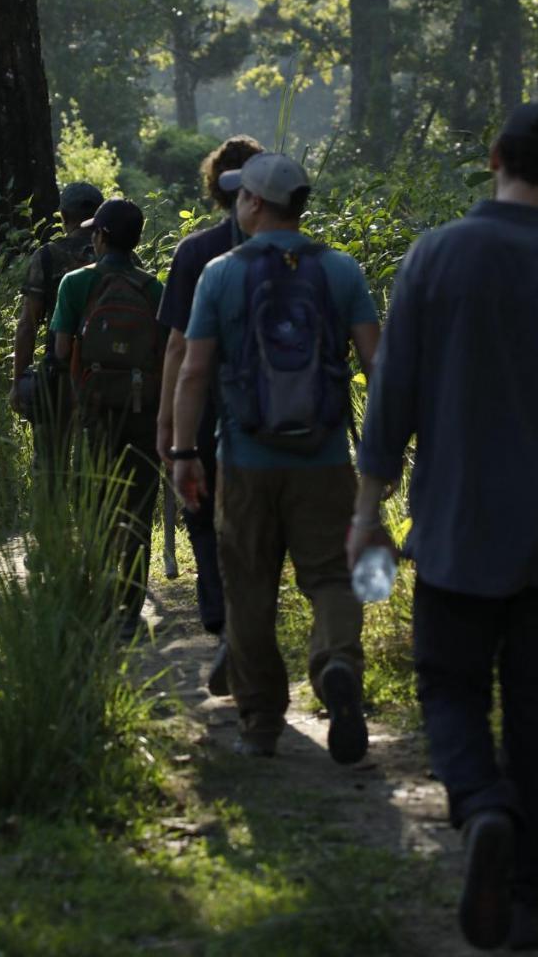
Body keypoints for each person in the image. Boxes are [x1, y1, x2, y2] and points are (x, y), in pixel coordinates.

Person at [349, 103, 538, 951]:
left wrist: (367, 517)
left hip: (453, 529)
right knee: (537, 714)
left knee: (447, 688)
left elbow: (390, 403)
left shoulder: (434, 257)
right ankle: (523, 897)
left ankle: (481, 807)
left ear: (492, 158)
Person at [171, 153, 380, 761]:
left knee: (249, 589)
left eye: (240, 197)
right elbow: (379, 365)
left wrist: (185, 453)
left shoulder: (219, 273)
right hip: (326, 463)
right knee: (334, 578)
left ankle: (261, 720)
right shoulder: (341, 271)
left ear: (255, 204)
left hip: (244, 462)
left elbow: (193, 371)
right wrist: (382, 456)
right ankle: (337, 664)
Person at [156, 134, 263, 695]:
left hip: (203, 411)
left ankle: (222, 623)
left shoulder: (196, 253)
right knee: (257, 530)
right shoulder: (296, 250)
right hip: (270, 416)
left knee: (204, 521)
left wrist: (168, 427)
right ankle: (251, 634)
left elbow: (177, 350)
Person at [51, 198, 165, 639]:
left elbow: (62, 351)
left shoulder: (77, 283)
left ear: (98, 237)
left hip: (95, 413)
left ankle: (95, 600)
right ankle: (128, 612)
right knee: (137, 511)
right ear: (136, 241)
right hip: (143, 413)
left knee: (96, 506)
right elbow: (165, 354)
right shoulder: (153, 289)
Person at [9, 181, 104, 485]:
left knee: (50, 466)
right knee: (100, 468)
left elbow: (27, 324)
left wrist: (19, 380)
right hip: (111, 377)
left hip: (59, 372)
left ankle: (51, 527)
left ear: (63, 216)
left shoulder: (49, 255)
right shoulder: (124, 259)